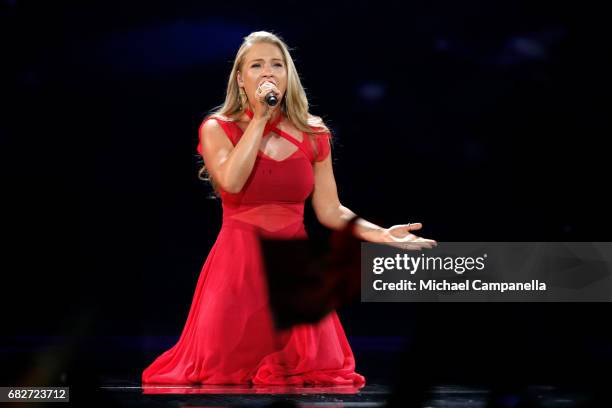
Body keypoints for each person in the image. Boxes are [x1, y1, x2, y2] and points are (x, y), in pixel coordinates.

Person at [142, 31, 436, 387]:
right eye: (257, 65)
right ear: (241, 78)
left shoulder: (314, 133)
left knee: (311, 372)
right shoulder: (217, 128)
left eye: (277, 64)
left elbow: (330, 209)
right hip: (239, 267)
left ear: (288, 75)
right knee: (222, 374)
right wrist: (260, 121)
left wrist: (381, 234)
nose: (269, 72)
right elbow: (232, 182)